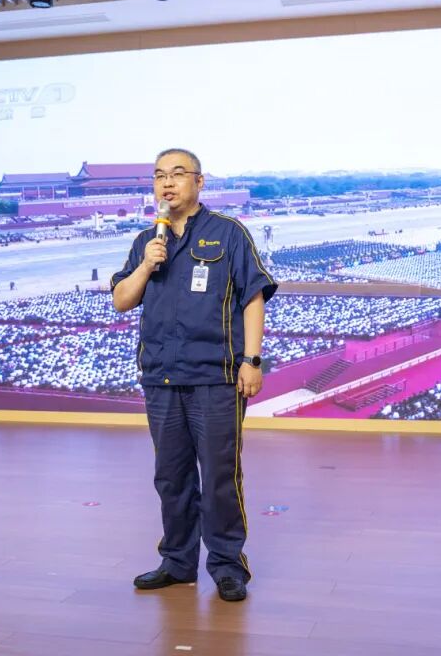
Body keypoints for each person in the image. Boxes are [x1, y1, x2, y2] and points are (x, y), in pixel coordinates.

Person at [111, 148, 277, 603]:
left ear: (199, 182)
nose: (167, 183)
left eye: (178, 174)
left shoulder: (228, 233)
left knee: (220, 476)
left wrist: (252, 360)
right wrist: (147, 264)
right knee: (171, 476)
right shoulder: (147, 241)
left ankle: (227, 566)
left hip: (216, 377)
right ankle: (177, 562)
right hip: (161, 378)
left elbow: (252, 297)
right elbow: (122, 299)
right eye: (159, 176)